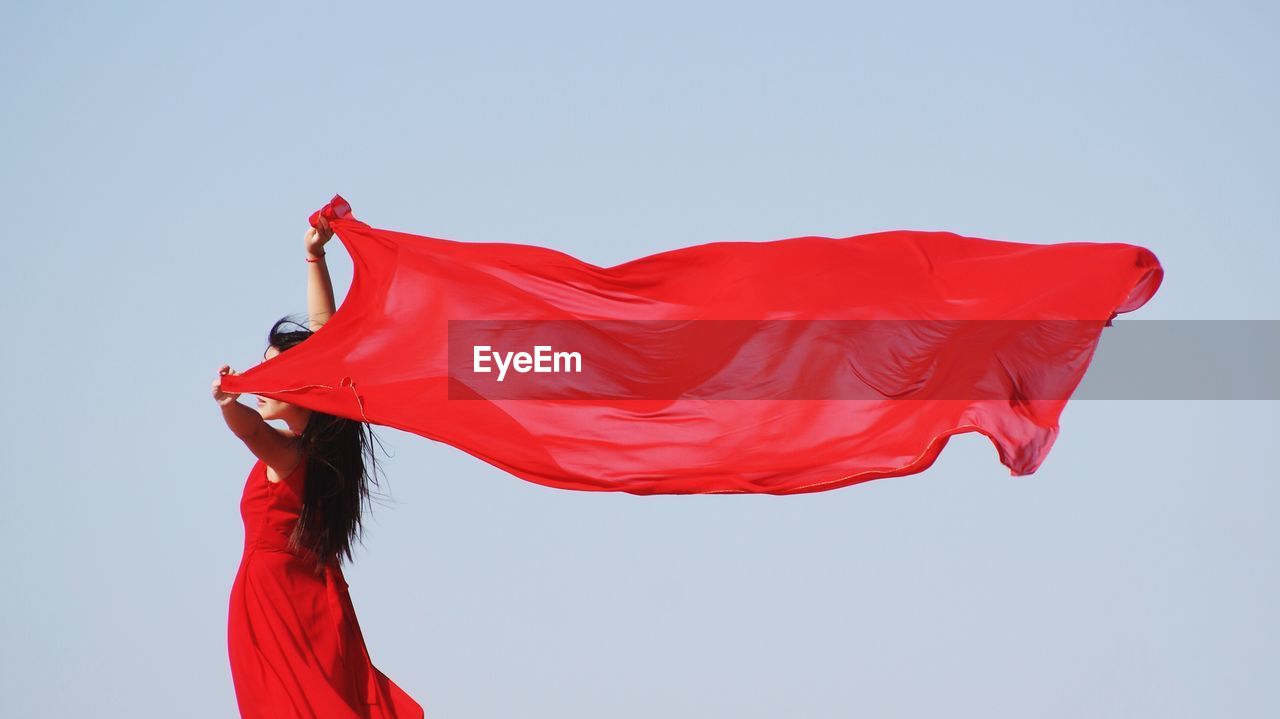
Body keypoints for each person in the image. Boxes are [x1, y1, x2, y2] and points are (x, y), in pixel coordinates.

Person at [211, 216, 425, 718]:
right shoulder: (330, 447)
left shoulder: (292, 456)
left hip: (276, 604)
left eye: (274, 370)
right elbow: (328, 339)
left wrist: (226, 403)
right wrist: (315, 258)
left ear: (303, 385)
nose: (262, 380)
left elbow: (252, 431)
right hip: (307, 601)